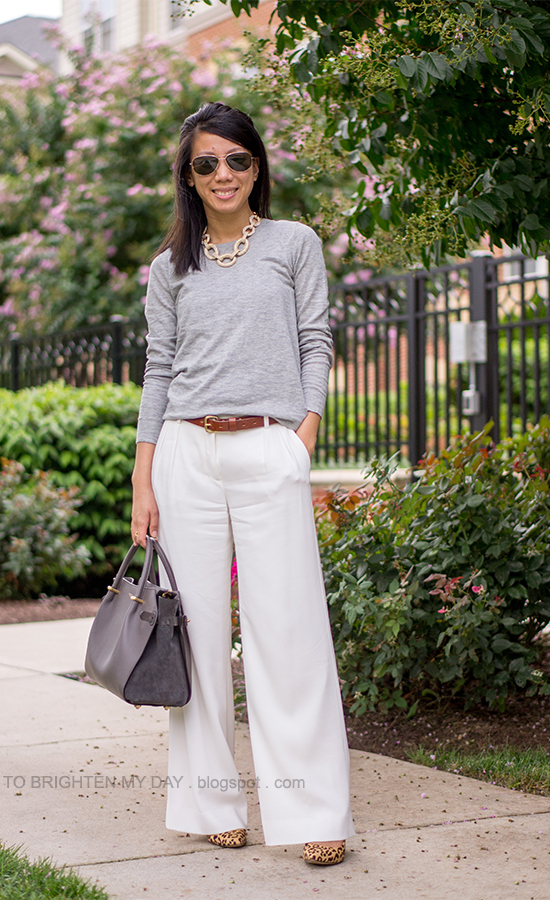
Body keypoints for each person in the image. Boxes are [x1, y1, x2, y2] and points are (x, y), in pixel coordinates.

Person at [131, 101, 355, 866]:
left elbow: (315, 337)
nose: (222, 174)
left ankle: (314, 812)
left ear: (257, 168)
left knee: (288, 631)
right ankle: (210, 800)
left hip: (269, 447)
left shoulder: (293, 244)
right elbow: (158, 370)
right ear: (187, 177)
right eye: (206, 163)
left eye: (236, 160)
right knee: (194, 640)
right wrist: (144, 479)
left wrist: (304, 435)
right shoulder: (170, 267)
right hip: (187, 456)